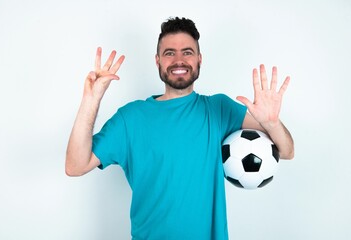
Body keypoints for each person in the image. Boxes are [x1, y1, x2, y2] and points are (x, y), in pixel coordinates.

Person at [65, 17, 294, 240]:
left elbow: (286, 151)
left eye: (187, 52)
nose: (179, 60)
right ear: (157, 61)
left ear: (199, 59)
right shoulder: (130, 118)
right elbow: (75, 166)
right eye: (169, 53)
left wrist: (271, 123)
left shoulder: (219, 109)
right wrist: (91, 100)